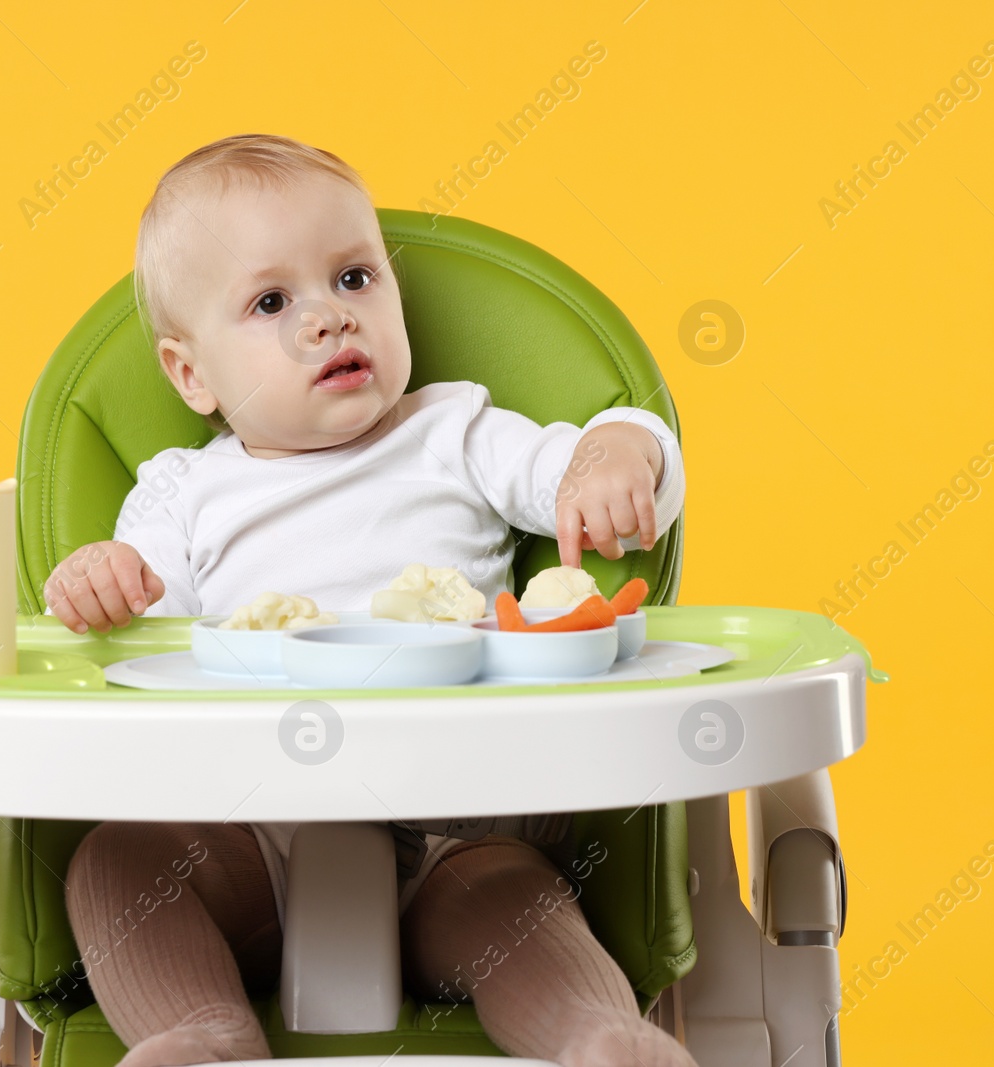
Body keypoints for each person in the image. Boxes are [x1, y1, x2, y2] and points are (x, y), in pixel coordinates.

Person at [44, 133, 692, 1067]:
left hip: (457, 829)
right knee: (113, 863)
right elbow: (141, 637)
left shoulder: (455, 431)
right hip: (249, 835)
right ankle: (200, 1035)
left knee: (516, 899)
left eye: (354, 279)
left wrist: (620, 456)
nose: (328, 320)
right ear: (191, 374)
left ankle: (603, 1039)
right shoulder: (180, 494)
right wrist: (98, 580)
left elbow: (595, 463)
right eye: (272, 302)